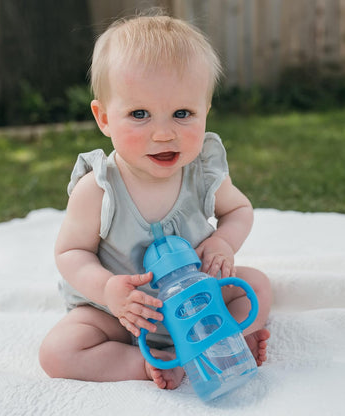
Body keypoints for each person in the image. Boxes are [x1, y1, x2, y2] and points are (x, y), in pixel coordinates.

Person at [39, 12, 272, 390]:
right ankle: (147, 361)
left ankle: (229, 337)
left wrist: (223, 241)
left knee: (257, 284)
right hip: (122, 316)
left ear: (205, 111)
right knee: (58, 350)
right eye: (139, 114)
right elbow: (70, 253)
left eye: (183, 114)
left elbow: (239, 210)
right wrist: (107, 290)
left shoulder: (203, 171)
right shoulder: (98, 188)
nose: (164, 134)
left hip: (199, 301)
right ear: (104, 119)